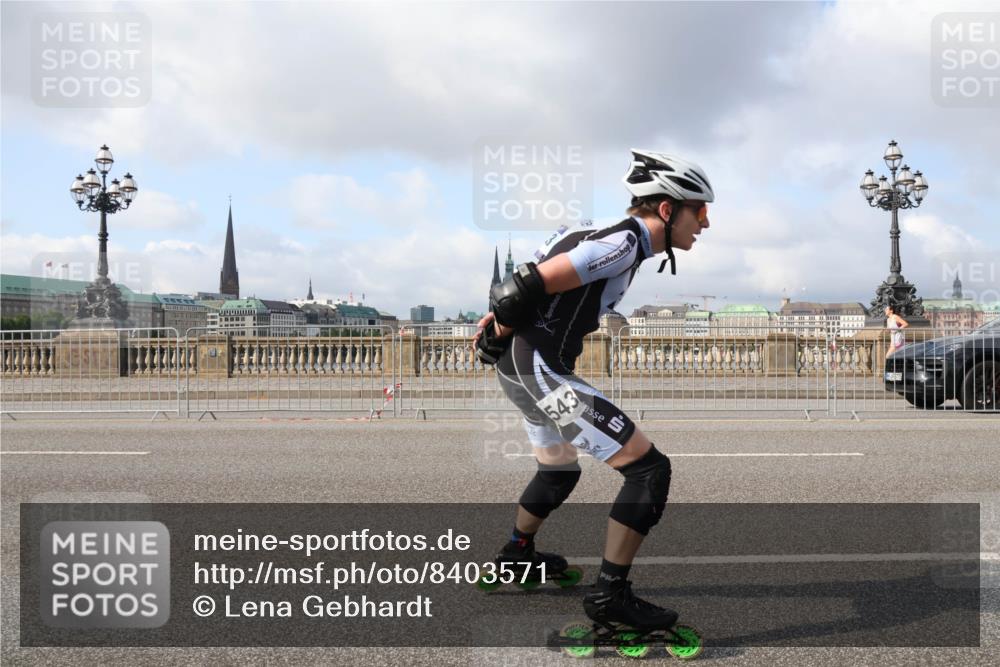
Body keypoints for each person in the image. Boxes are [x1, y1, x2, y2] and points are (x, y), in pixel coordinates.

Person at [472, 149, 713, 631]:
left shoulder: (596, 228)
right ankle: (610, 597)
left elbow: (524, 289)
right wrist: (499, 325)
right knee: (648, 471)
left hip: (522, 366)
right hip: (540, 370)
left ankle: (517, 552)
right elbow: (523, 288)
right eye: (699, 211)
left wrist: (496, 329)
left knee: (558, 472)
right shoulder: (624, 242)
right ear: (667, 209)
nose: (705, 223)